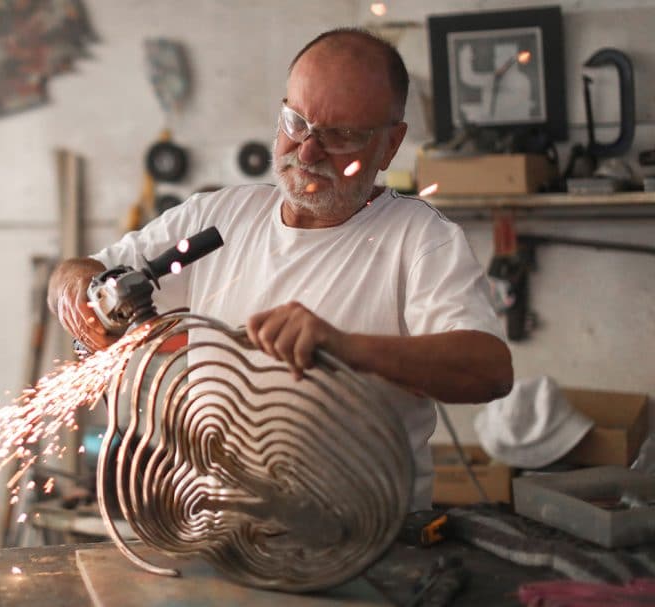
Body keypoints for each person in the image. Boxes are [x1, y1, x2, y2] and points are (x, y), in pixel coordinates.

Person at [47, 28, 513, 510]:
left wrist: (345, 347)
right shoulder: (219, 219)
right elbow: (85, 272)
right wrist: (77, 291)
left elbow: (488, 370)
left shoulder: (419, 239)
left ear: (390, 145)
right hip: (215, 532)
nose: (307, 151)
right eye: (296, 122)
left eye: (341, 136)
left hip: (364, 544)